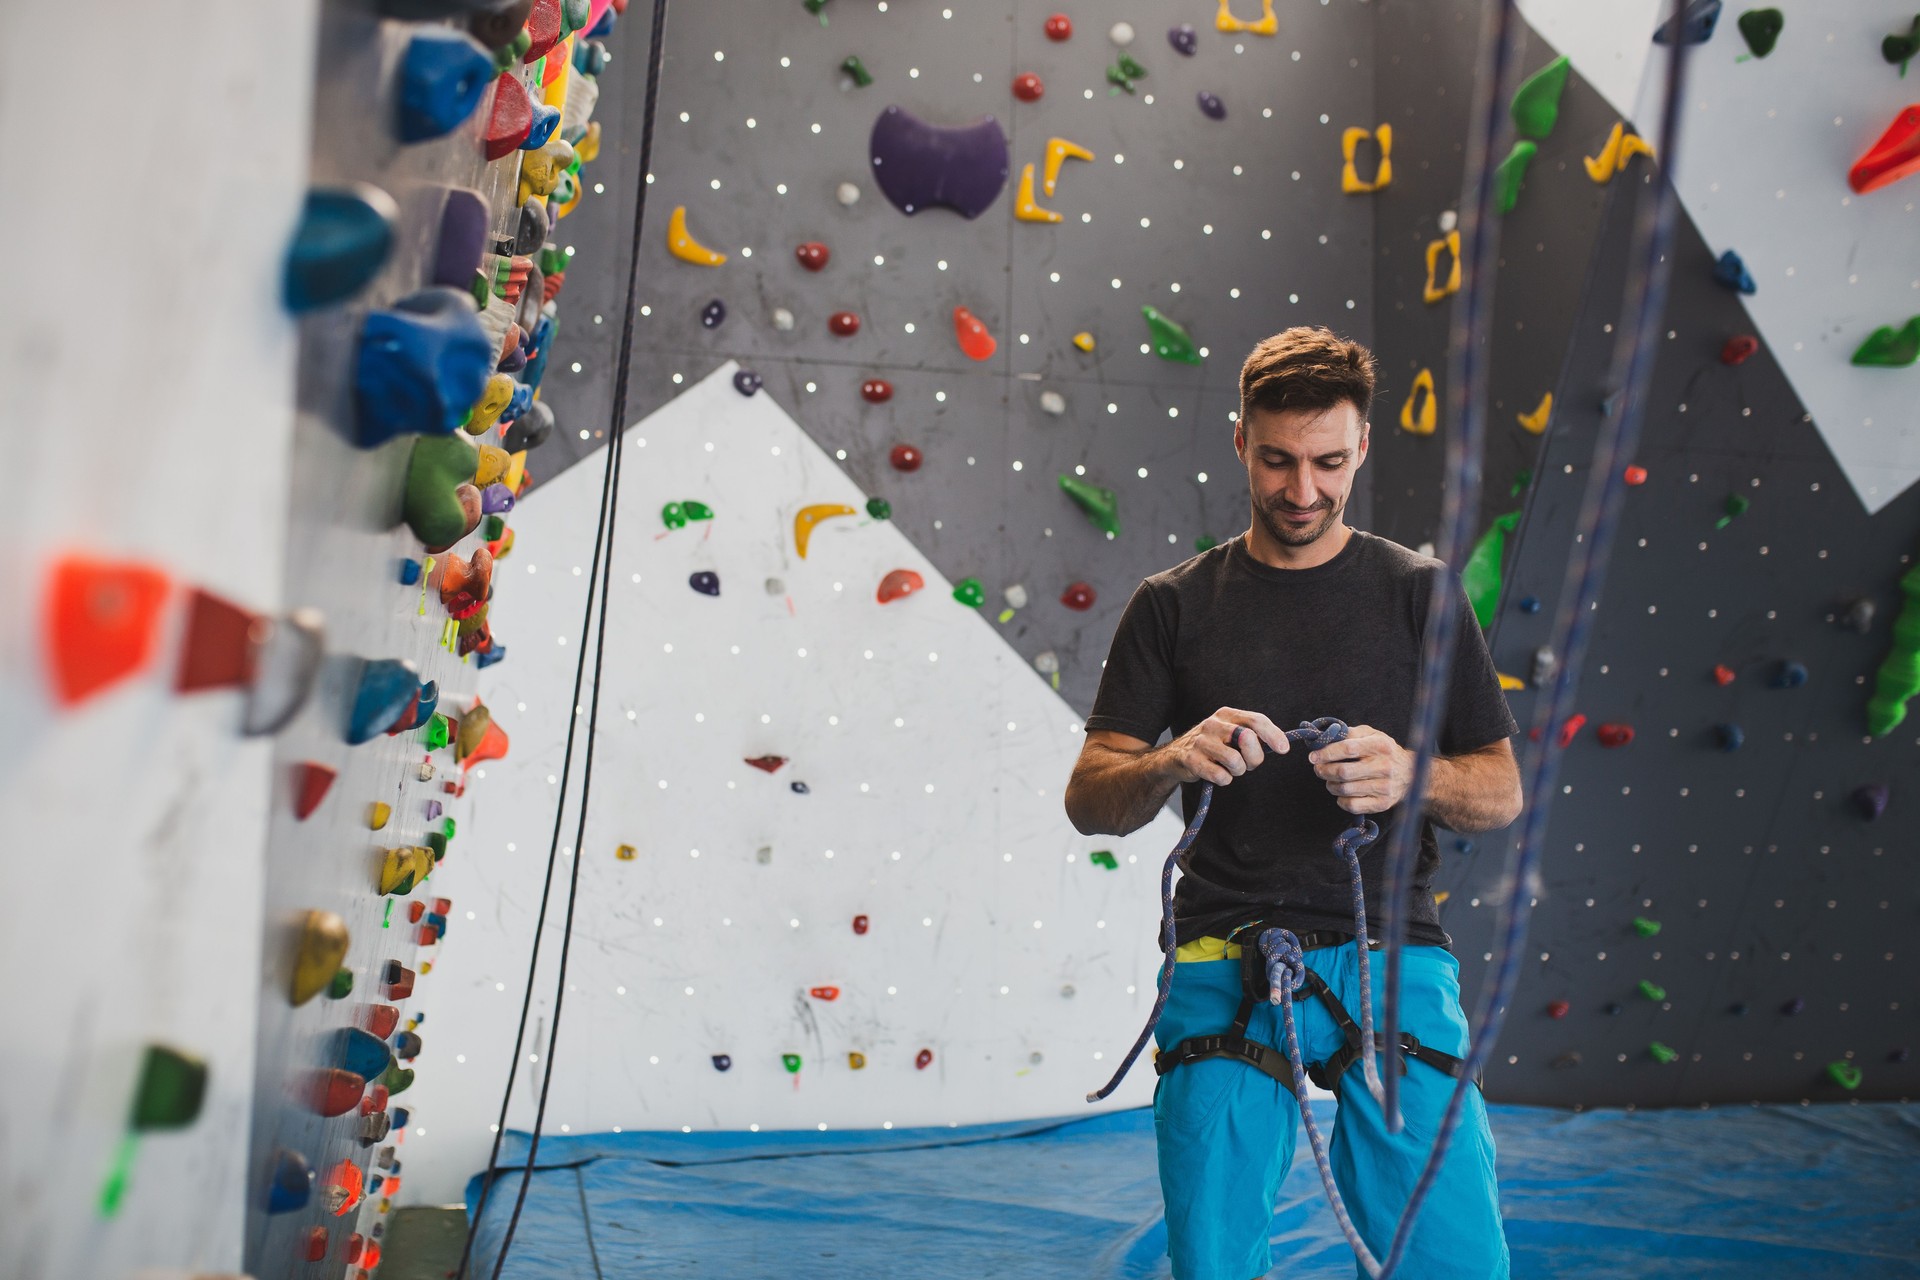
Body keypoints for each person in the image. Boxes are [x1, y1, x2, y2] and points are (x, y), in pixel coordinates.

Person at [1063, 327, 1522, 1280]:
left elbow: (1500, 789)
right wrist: (1171, 760)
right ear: (1240, 441)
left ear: (1362, 450)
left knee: (1454, 1261)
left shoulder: (1421, 597)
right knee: (1214, 1258)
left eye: (1327, 462)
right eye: (1277, 461)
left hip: (1390, 949)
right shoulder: (1173, 604)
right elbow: (1089, 799)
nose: (1302, 491)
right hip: (1223, 951)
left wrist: (1413, 776)